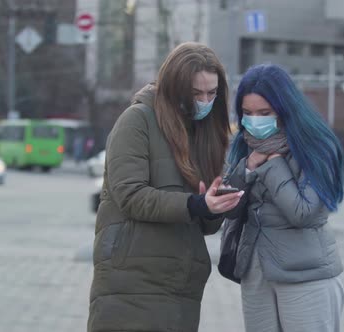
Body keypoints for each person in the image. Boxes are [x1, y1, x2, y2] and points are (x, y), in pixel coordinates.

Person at [87, 42, 244, 332]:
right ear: (175, 87)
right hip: (132, 281)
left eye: (212, 93)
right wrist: (196, 204)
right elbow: (130, 195)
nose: (205, 100)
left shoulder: (205, 134)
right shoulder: (137, 120)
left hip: (182, 284)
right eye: (196, 93)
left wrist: (216, 205)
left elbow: (205, 225)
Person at [224, 64, 344, 332]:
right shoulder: (247, 145)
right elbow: (230, 210)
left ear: (284, 109)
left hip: (305, 274)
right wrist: (246, 168)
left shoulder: (317, 148)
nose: (255, 121)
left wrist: (271, 164)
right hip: (255, 270)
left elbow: (303, 213)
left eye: (264, 113)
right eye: (247, 113)